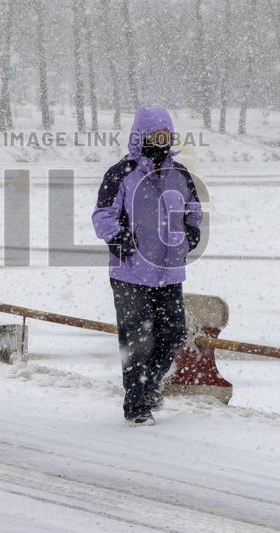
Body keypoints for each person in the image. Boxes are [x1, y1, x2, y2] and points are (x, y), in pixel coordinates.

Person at [92, 107, 203, 426]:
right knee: (136, 342)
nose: (161, 141)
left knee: (173, 334)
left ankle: (149, 386)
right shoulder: (120, 174)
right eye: (155, 136)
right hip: (130, 273)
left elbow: (194, 210)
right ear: (140, 137)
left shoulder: (180, 174)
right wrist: (121, 240)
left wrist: (190, 236)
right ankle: (136, 406)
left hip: (169, 273)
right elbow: (102, 216)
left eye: (166, 136)